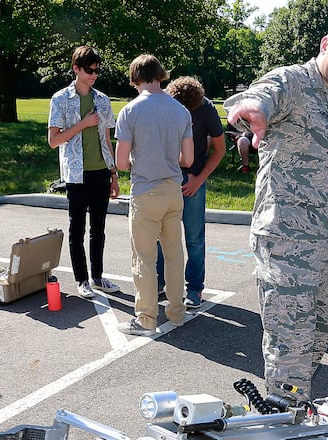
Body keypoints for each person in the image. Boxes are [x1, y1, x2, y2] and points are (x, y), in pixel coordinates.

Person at [223, 10, 328, 396]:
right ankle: (283, 420)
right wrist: (252, 112)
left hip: (325, 244)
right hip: (288, 242)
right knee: (289, 348)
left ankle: (291, 412)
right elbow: (257, 99)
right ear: (327, 44)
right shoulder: (292, 81)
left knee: (316, 341)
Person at [115, 54, 194, 336]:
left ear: (136, 78)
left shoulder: (130, 111)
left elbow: (122, 163)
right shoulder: (181, 111)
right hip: (174, 191)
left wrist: (144, 158)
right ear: (161, 75)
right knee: (174, 254)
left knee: (144, 258)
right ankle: (177, 311)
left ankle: (146, 318)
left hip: (145, 192)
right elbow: (188, 159)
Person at [48, 46, 121, 299]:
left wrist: (114, 175)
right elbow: (53, 140)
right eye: (89, 70)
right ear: (76, 69)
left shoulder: (102, 100)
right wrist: (82, 124)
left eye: (97, 70)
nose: (94, 74)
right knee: (76, 228)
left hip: (100, 171)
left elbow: (108, 140)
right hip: (76, 174)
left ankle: (98, 276)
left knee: (98, 228)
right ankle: (82, 280)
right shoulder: (60, 99)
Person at [155, 76, 226, 309]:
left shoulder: (206, 108)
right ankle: (157, 283)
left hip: (192, 180)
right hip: (165, 178)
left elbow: (219, 149)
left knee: (194, 237)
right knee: (160, 234)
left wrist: (199, 180)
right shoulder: (163, 102)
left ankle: (194, 288)